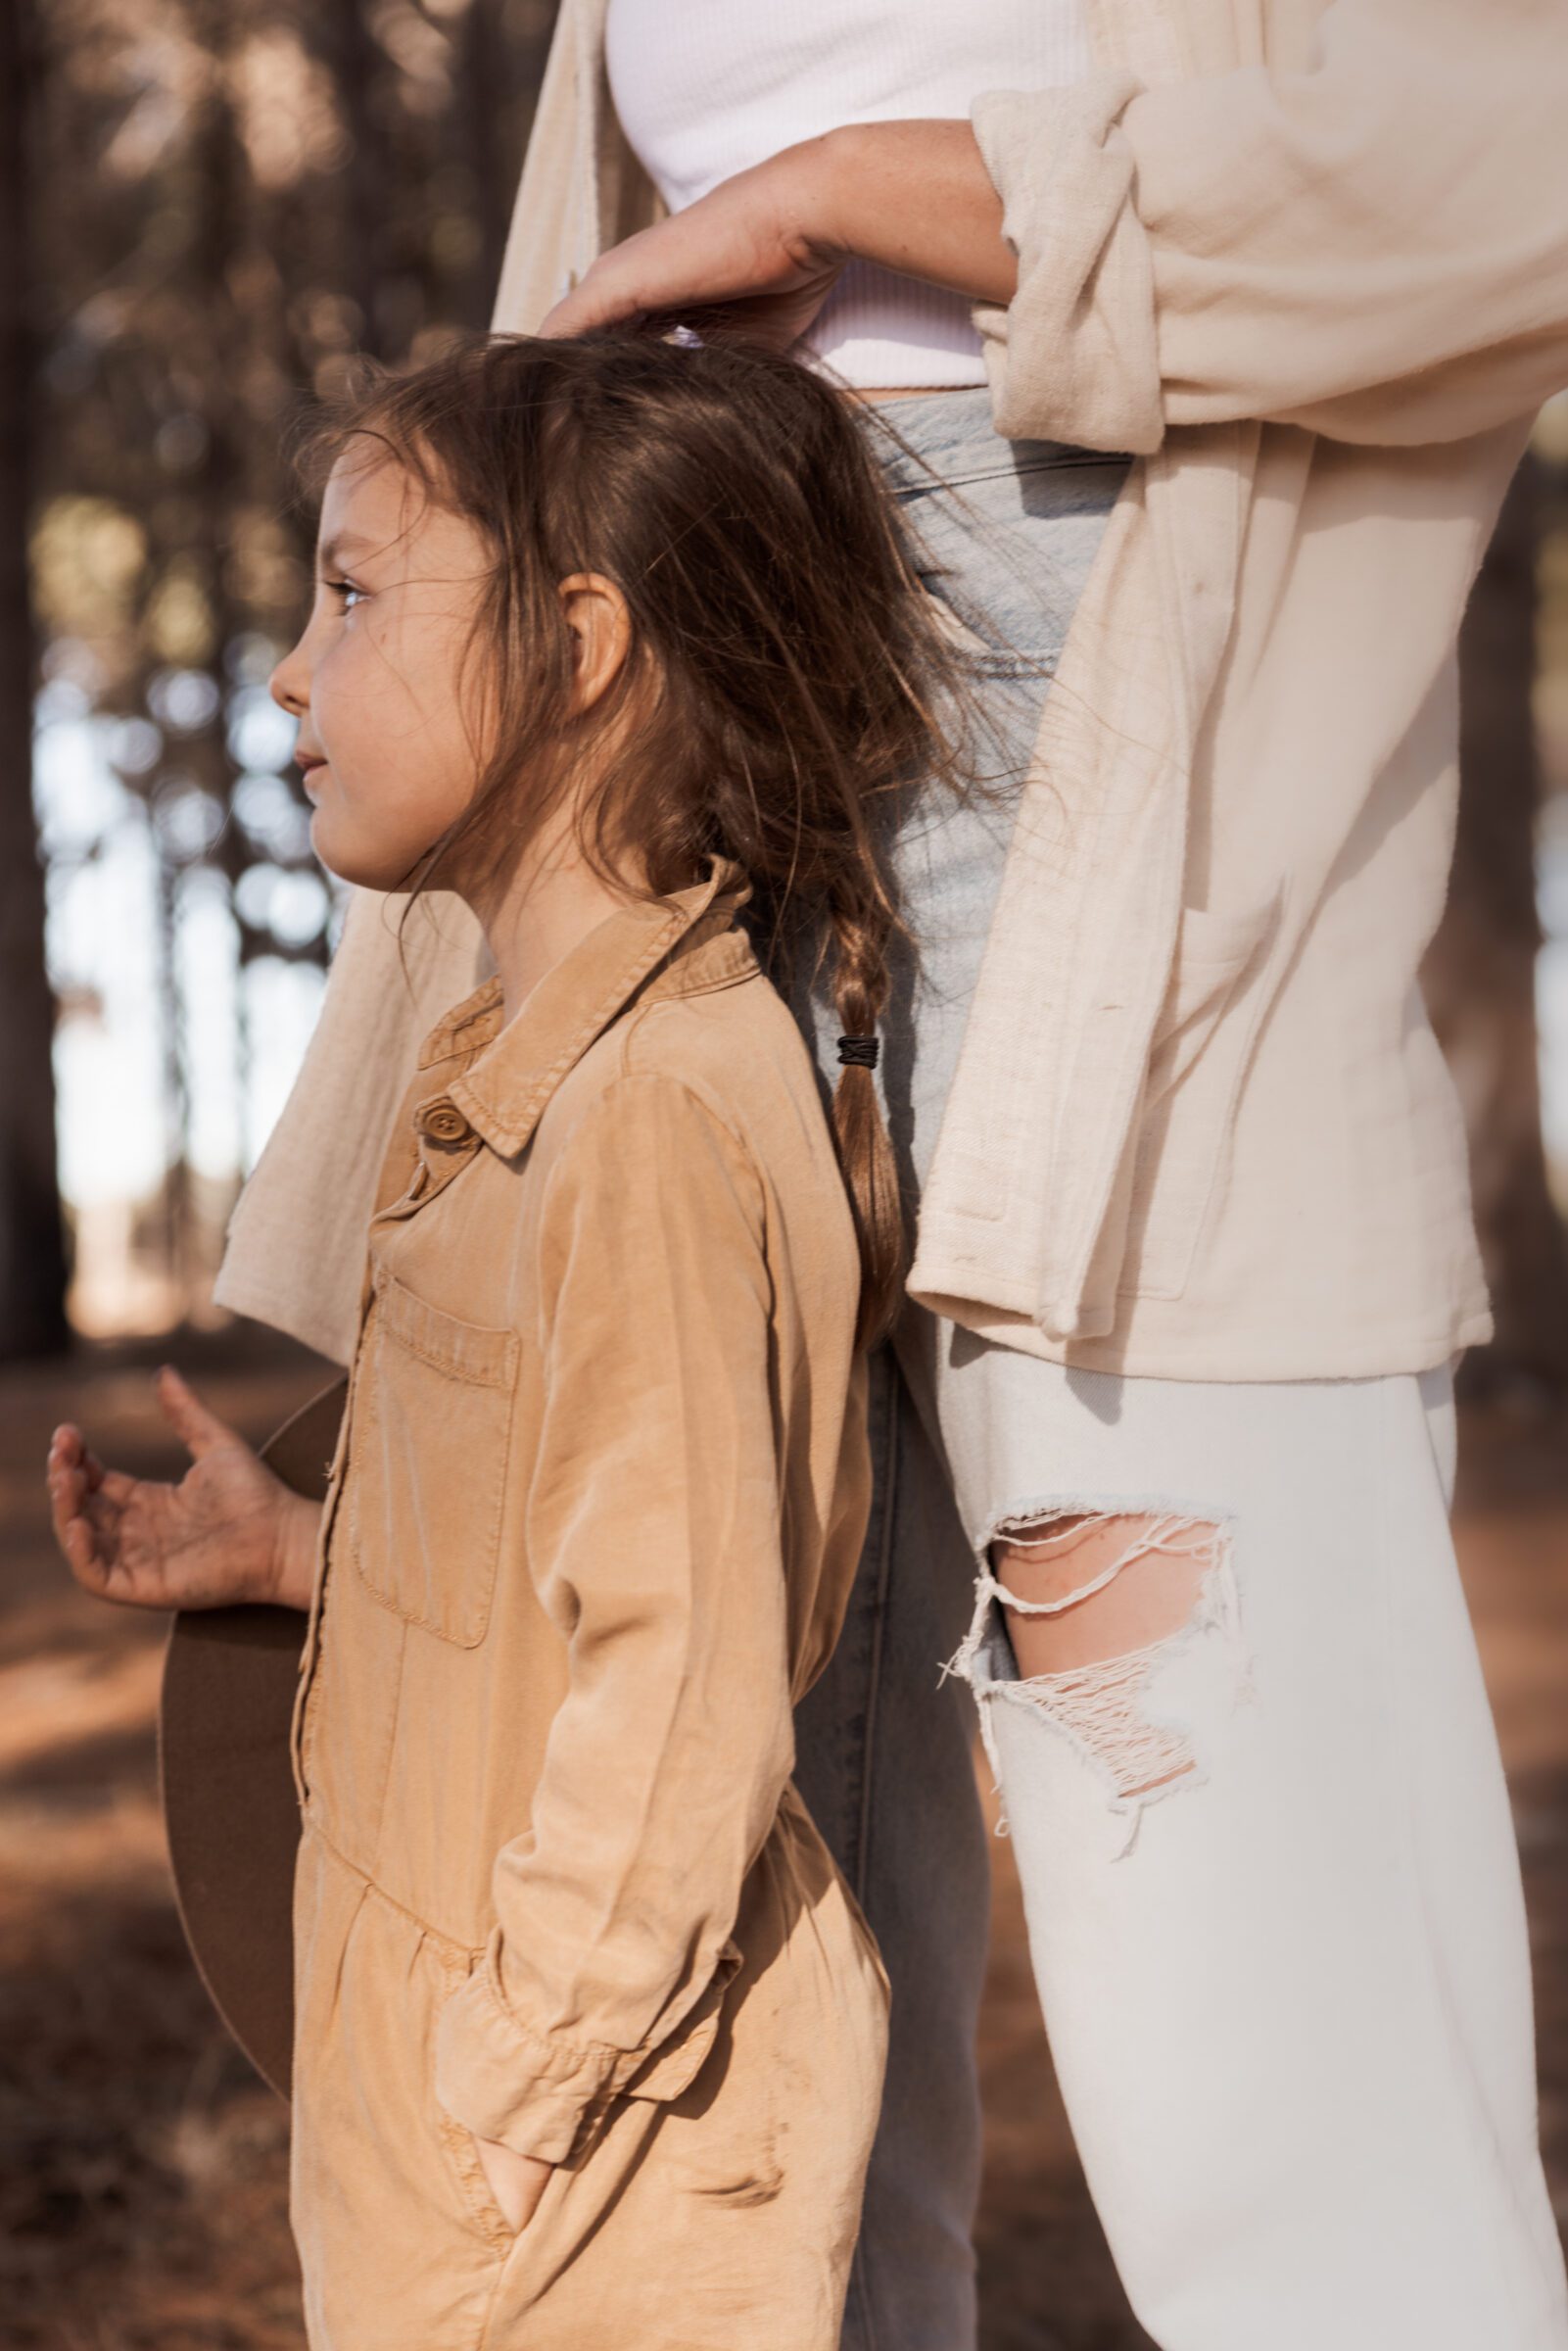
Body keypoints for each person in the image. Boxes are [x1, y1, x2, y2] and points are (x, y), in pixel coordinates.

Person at [175, 5, 1568, 2349]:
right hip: (660, 724)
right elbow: (653, 1592)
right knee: (727, 2104)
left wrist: (887, 194)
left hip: (1124, 730)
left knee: (1257, 2031)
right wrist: (356, 1543)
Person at [39, 328, 1001, 2349]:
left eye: (357, 589)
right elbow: (570, 1565)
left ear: (579, 644)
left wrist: (520, 2084)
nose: (293, 669)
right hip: (469, 2123)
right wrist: (309, 1557)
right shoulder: (521, 1079)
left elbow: (684, 1681)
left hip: (582, 2160)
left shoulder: (654, 1110)